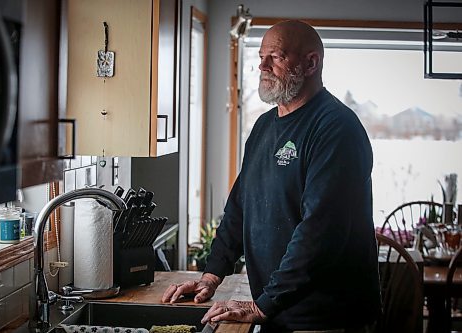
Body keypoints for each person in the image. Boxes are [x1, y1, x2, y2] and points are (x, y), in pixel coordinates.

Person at [162, 20, 381, 333]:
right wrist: (211, 276)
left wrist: (261, 306)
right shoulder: (265, 126)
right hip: (280, 310)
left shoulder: (336, 129)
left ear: (310, 63)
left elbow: (320, 232)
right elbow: (239, 206)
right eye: (261, 56)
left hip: (326, 318)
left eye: (276, 57)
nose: (262, 65)